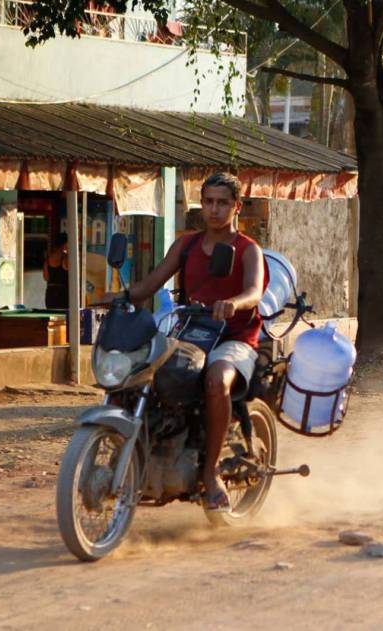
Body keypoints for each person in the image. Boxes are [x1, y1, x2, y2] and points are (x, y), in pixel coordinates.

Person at [107, 172, 266, 512]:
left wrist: (233, 303)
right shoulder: (187, 245)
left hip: (234, 337)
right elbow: (150, 284)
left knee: (215, 379)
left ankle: (210, 475)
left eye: (223, 203)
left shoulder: (247, 249)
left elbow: (254, 292)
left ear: (236, 207)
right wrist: (118, 296)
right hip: (190, 331)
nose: (214, 209)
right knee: (138, 376)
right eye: (208, 201)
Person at [43, 233, 70, 310]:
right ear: (64, 244)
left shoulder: (48, 259)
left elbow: (46, 277)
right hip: (62, 294)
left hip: (50, 293)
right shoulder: (66, 258)